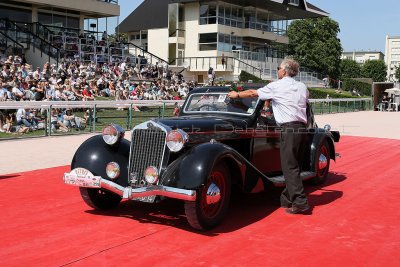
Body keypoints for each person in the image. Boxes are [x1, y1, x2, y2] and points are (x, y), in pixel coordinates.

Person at [228, 57, 310, 214]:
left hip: (289, 128)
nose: (277, 70)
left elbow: (253, 92)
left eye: (279, 68)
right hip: (302, 128)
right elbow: (307, 97)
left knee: (289, 167)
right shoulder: (302, 86)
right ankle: (286, 199)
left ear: (284, 70)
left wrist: (236, 95)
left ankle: (300, 203)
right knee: (295, 165)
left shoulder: (276, 86)